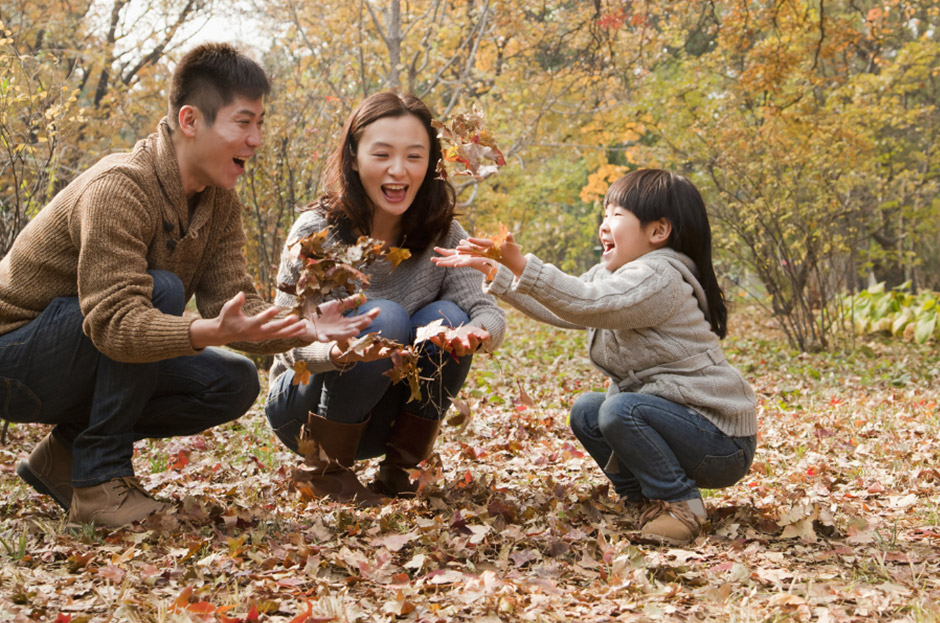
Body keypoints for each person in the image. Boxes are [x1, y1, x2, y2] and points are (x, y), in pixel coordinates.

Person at [0, 43, 377, 528]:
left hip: (72, 357)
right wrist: (202, 332)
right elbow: (115, 325)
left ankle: (66, 455)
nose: (256, 138)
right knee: (162, 291)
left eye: (260, 123)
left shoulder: (219, 202)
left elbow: (234, 305)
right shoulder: (119, 187)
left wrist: (304, 327)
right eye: (243, 122)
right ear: (190, 120)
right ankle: (98, 484)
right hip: (15, 358)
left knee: (230, 381)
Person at [433, 169, 757, 545]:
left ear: (658, 231)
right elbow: (566, 308)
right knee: (588, 410)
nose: (604, 225)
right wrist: (498, 272)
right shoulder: (618, 274)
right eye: (605, 214)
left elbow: (585, 303)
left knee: (619, 411)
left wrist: (523, 264)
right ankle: (644, 501)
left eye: (616, 215)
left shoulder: (660, 277)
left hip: (719, 440)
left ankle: (681, 506)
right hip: (682, 426)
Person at [265, 91, 506, 506]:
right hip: (306, 412)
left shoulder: (444, 234)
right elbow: (282, 343)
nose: (399, 170)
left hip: (386, 419)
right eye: (382, 155)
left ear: (431, 164)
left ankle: (402, 470)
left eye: (415, 156)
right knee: (387, 317)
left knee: (448, 315)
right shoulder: (315, 233)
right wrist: (337, 353)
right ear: (354, 158)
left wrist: (475, 333)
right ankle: (325, 474)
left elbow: (487, 310)